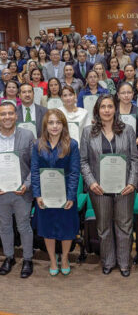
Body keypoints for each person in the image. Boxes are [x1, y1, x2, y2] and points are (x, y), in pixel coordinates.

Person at [80, 94, 138, 276]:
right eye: (103, 107)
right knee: (104, 227)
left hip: (124, 189)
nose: (106, 110)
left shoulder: (128, 130)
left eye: (110, 106)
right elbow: (83, 161)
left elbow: (135, 160)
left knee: (124, 225)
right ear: (97, 110)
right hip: (100, 189)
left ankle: (123, 263)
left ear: (115, 109)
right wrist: (91, 183)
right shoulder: (88, 132)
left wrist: (132, 183)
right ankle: (108, 261)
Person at [31, 109, 80, 276]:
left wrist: (71, 196)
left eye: (58, 122)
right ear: (45, 125)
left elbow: (74, 172)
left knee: (67, 228)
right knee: (47, 228)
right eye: (51, 122)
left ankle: (65, 258)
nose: (54, 126)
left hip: (65, 193)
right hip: (45, 194)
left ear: (63, 125)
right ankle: (52, 259)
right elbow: (35, 171)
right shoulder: (37, 144)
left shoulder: (72, 144)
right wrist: (37, 195)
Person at [0, 101, 35, 278]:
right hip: (1, 193)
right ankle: (9, 257)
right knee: (4, 226)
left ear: (16, 115)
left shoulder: (28, 135)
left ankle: (28, 259)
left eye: (10, 113)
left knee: (23, 226)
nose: (6, 117)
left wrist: (27, 184)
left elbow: (34, 165)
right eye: (3, 114)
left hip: (22, 191)